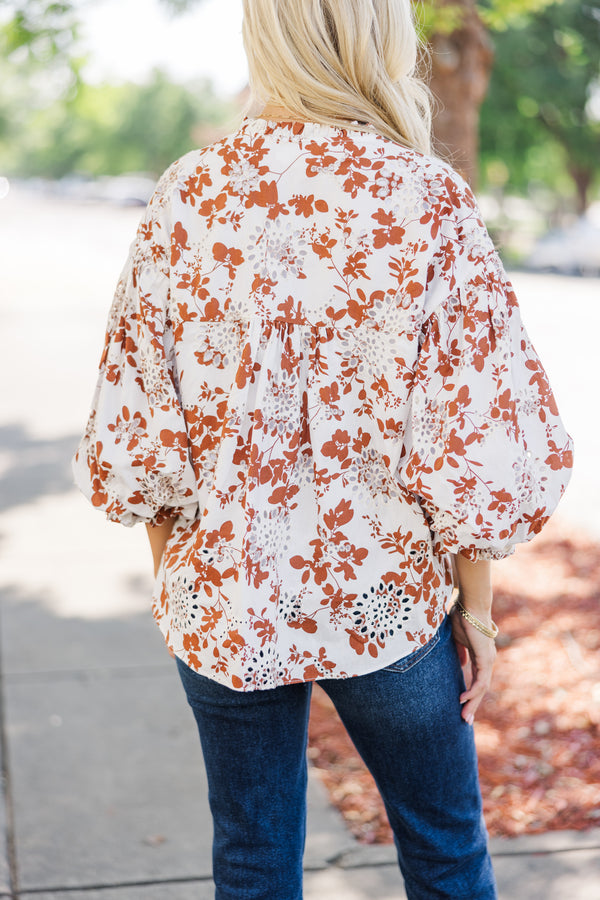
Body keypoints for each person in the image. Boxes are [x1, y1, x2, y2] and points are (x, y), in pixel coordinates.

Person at [72, 1, 573, 897]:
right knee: (445, 848)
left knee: (253, 855)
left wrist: (179, 584)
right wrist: (479, 616)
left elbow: (138, 425)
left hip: (224, 595)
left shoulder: (188, 193)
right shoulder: (423, 196)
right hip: (385, 597)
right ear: (377, 36)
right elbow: (473, 435)